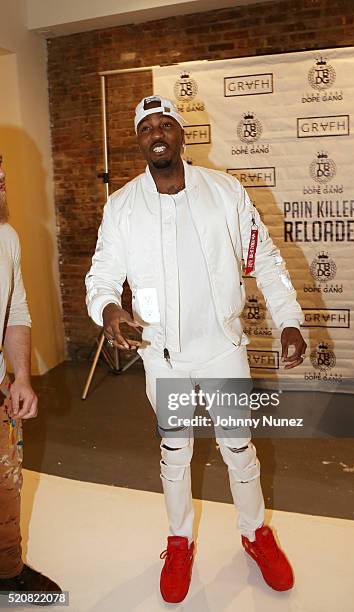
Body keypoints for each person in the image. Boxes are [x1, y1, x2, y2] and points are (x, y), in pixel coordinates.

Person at [85, 96, 307, 604]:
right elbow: (101, 277)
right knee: (174, 453)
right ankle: (180, 541)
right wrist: (107, 310)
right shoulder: (120, 207)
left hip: (221, 348)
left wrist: (289, 319)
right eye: (147, 127)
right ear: (138, 139)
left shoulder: (225, 192)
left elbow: (265, 260)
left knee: (238, 448)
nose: (157, 134)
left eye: (166, 125)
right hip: (161, 356)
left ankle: (254, 534)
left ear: (182, 134)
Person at [0, 156, 61, 600]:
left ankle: (7, 571)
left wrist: (21, 376)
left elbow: (15, 310)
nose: (3, 176)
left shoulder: (7, 237)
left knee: (6, 484)